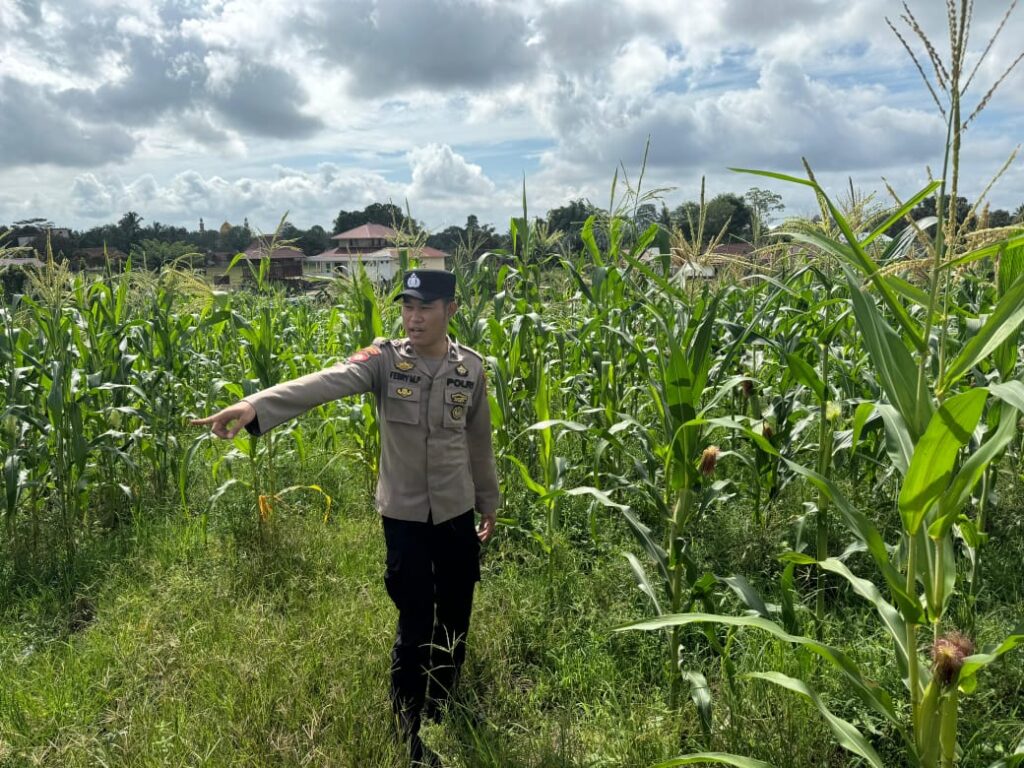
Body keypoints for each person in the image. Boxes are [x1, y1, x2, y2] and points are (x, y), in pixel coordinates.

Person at [192, 269, 500, 766]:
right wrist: (254, 405)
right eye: (407, 307)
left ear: (451, 310)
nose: (414, 318)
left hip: (456, 510)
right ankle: (407, 732)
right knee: (415, 620)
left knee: (457, 611)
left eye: (425, 308)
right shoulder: (384, 361)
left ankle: (443, 700)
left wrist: (488, 500)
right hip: (404, 516)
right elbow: (325, 382)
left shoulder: (470, 368)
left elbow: (478, 439)